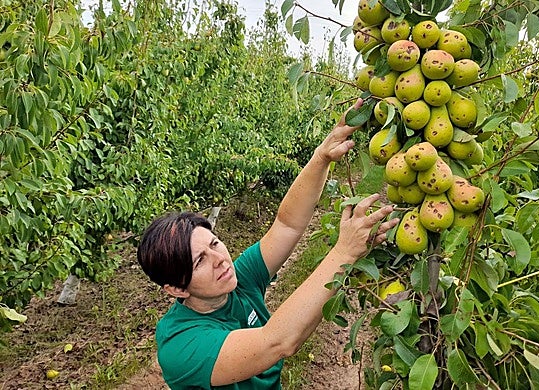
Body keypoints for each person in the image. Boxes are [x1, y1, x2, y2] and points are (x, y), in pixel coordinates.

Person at [137, 98, 400, 389]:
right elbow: (276, 343)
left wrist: (321, 157)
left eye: (214, 244)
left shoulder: (238, 280)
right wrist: (345, 251)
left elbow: (287, 225)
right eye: (199, 261)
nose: (220, 259)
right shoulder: (181, 346)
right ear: (176, 288)